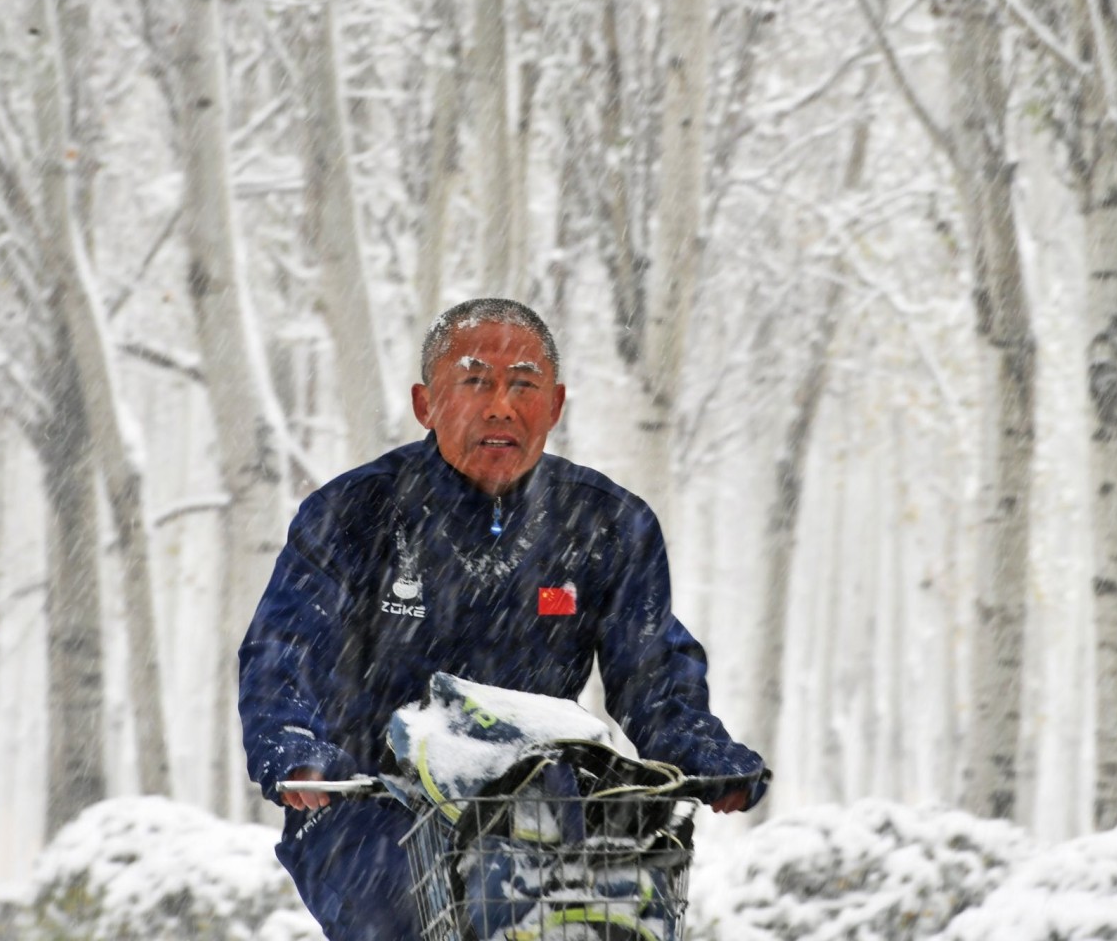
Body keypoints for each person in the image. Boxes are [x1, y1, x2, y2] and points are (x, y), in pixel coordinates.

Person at [238, 298, 767, 941]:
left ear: (555, 403)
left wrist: (700, 750)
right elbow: (281, 651)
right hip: (371, 811)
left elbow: (654, 674)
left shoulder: (609, 524)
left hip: (539, 813)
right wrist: (292, 747)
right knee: (410, 911)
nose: (500, 406)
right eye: (474, 382)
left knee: (618, 915)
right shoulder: (351, 512)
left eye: (522, 383)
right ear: (424, 404)